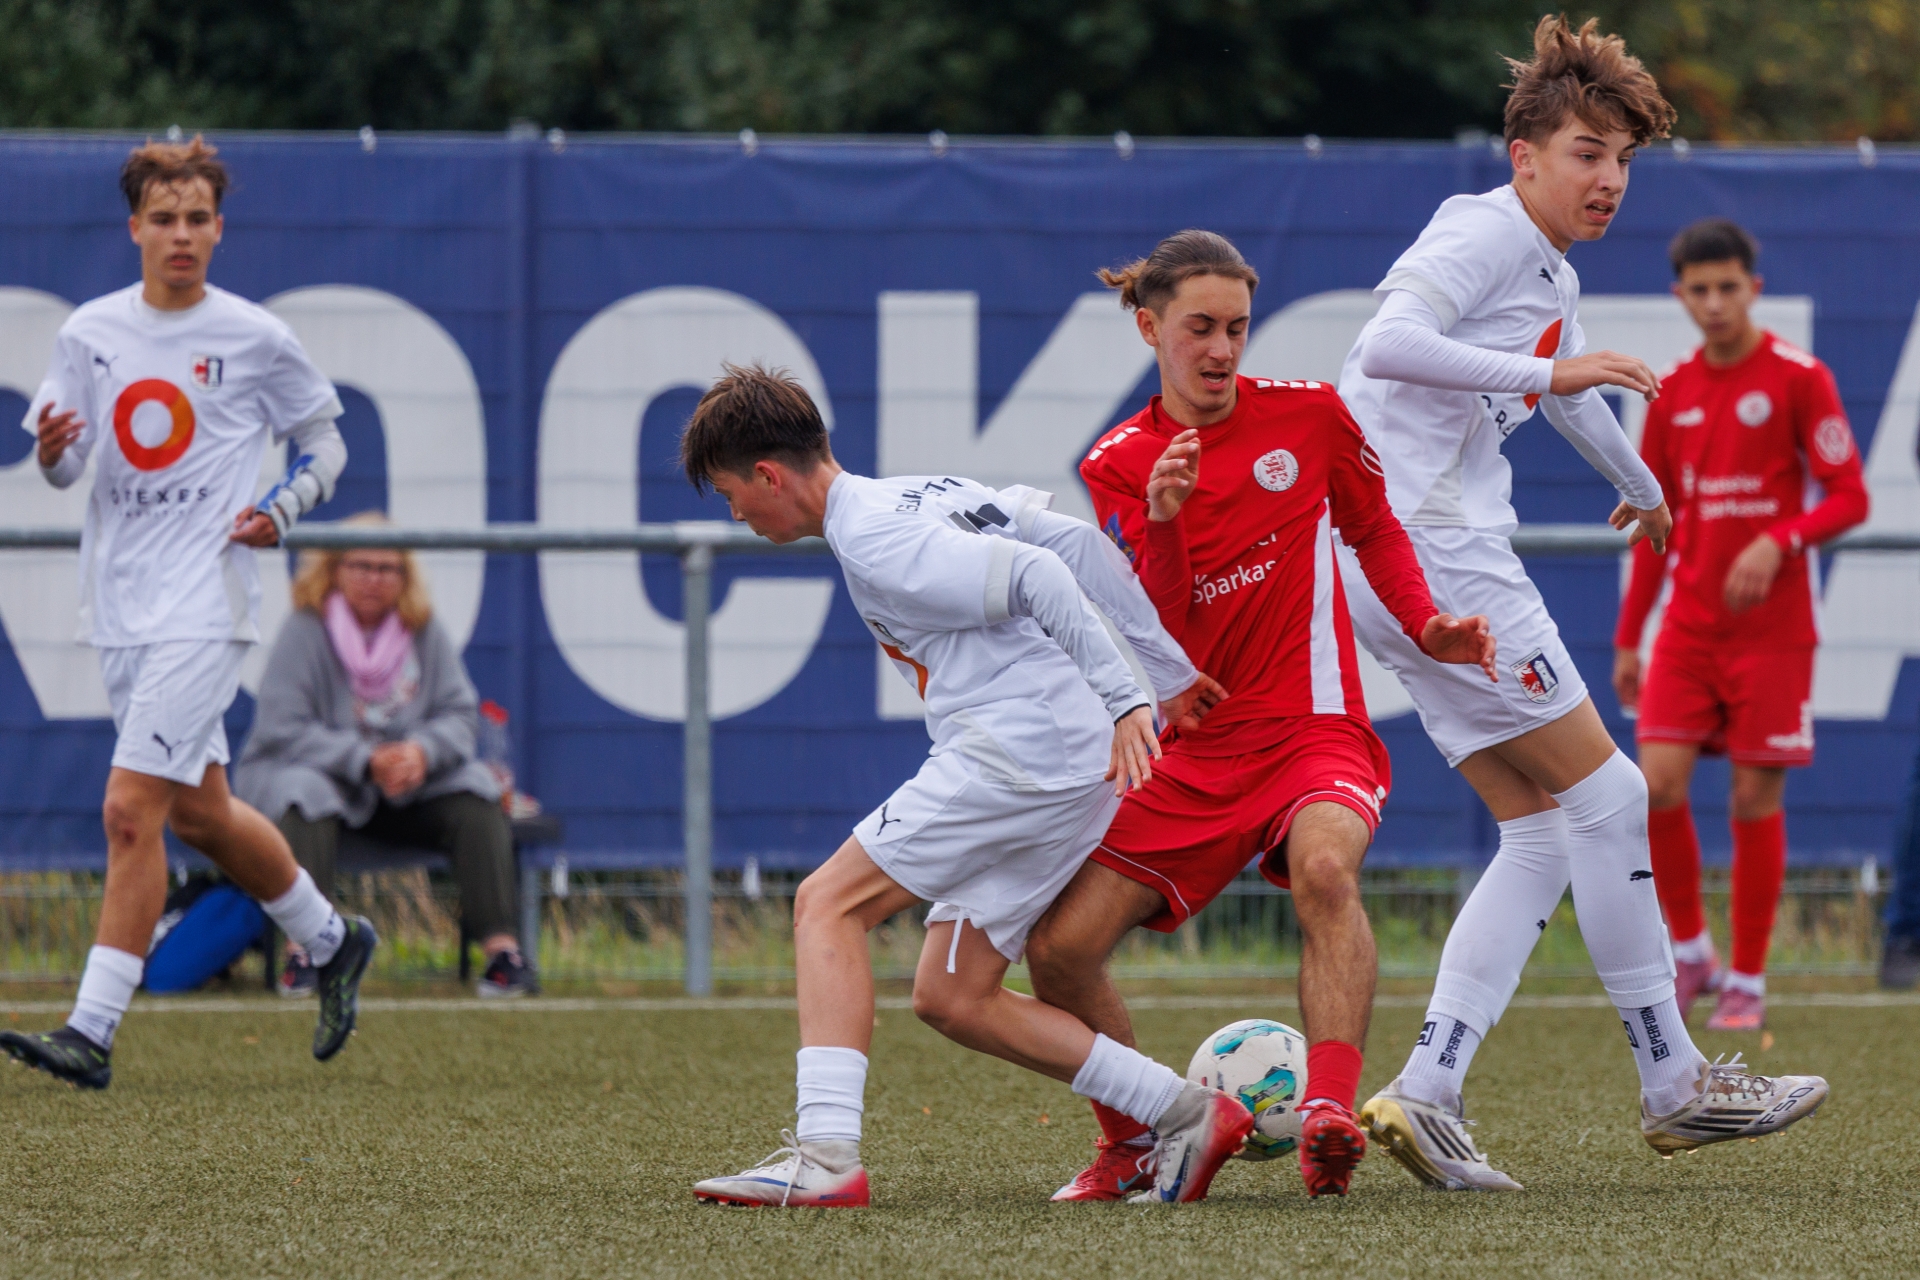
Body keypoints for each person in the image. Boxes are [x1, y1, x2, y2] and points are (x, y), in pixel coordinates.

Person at [1336, 17, 1828, 1191]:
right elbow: (1390, 342)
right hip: (1435, 555)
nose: (1608, 179)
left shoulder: (1545, 266)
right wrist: (1554, 369)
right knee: (1611, 795)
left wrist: (1643, 486)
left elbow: (1570, 393)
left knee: (1544, 828)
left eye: (1623, 160)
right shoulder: (1484, 227)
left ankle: (1429, 1086)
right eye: (1586, 153)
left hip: (1384, 559)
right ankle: (1675, 1079)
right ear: (1525, 157)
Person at [683, 364, 1254, 1208]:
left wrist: (1131, 696)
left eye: (733, 495)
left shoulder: (874, 536)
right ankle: (1186, 1113)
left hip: (1019, 755)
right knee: (952, 995)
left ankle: (827, 1157)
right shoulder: (918, 493)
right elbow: (1076, 544)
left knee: (826, 904)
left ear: (769, 476)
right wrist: (1162, 676)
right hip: (1062, 759)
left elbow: (1041, 575)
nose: (736, 514)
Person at [1014, 229, 1500, 1201]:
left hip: (1313, 728)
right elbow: (1159, 627)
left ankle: (1328, 1112)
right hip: (1196, 751)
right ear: (1150, 328)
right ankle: (1138, 1138)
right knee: (1058, 951)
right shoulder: (1119, 460)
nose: (1222, 349)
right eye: (1200, 327)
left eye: (1237, 327)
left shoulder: (1312, 415)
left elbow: (1373, 527)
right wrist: (1162, 520)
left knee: (1325, 869)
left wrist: (1427, 622)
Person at [0, 138, 375, 1089]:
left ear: (219, 229)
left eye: (196, 218)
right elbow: (64, 469)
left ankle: (90, 1030)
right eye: (163, 219)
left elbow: (326, 444)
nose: (180, 234)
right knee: (202, 815)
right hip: (119, 607)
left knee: (130, 812)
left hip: (206, 605)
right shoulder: (90, 331)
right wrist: (53, 450)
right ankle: (332, 940)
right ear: (135, 228)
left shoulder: (254, 335)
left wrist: (283, 507)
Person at [1614, 218, 1868, 1030]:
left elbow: (1850, 495)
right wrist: (1629, 637)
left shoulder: (1800, 378)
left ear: (1754, 289)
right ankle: (1692, 951)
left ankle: (1748, 981)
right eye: (1701, 290)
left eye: (1729, 287)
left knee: (1755, 796)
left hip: (1774, 632)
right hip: (1688, 630)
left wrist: (1778, 539)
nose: (1716, 303)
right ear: (1680, 296)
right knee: (1655, 785)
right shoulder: (1672, 393)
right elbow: (1655, 524)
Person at [235, 513, 534, 999]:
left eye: (387, 568)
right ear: (333, 570)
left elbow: (460, 716)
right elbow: (281, 728)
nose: (374, 578)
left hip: (408, 792)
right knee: (304, 792)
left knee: (477, 790)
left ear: (405, 577)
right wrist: (364, 760)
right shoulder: (305, 630)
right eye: (361, 566)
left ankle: (503, 955)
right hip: (327, 786)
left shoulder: (425, 631)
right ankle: (306, 952)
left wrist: (420, 753)